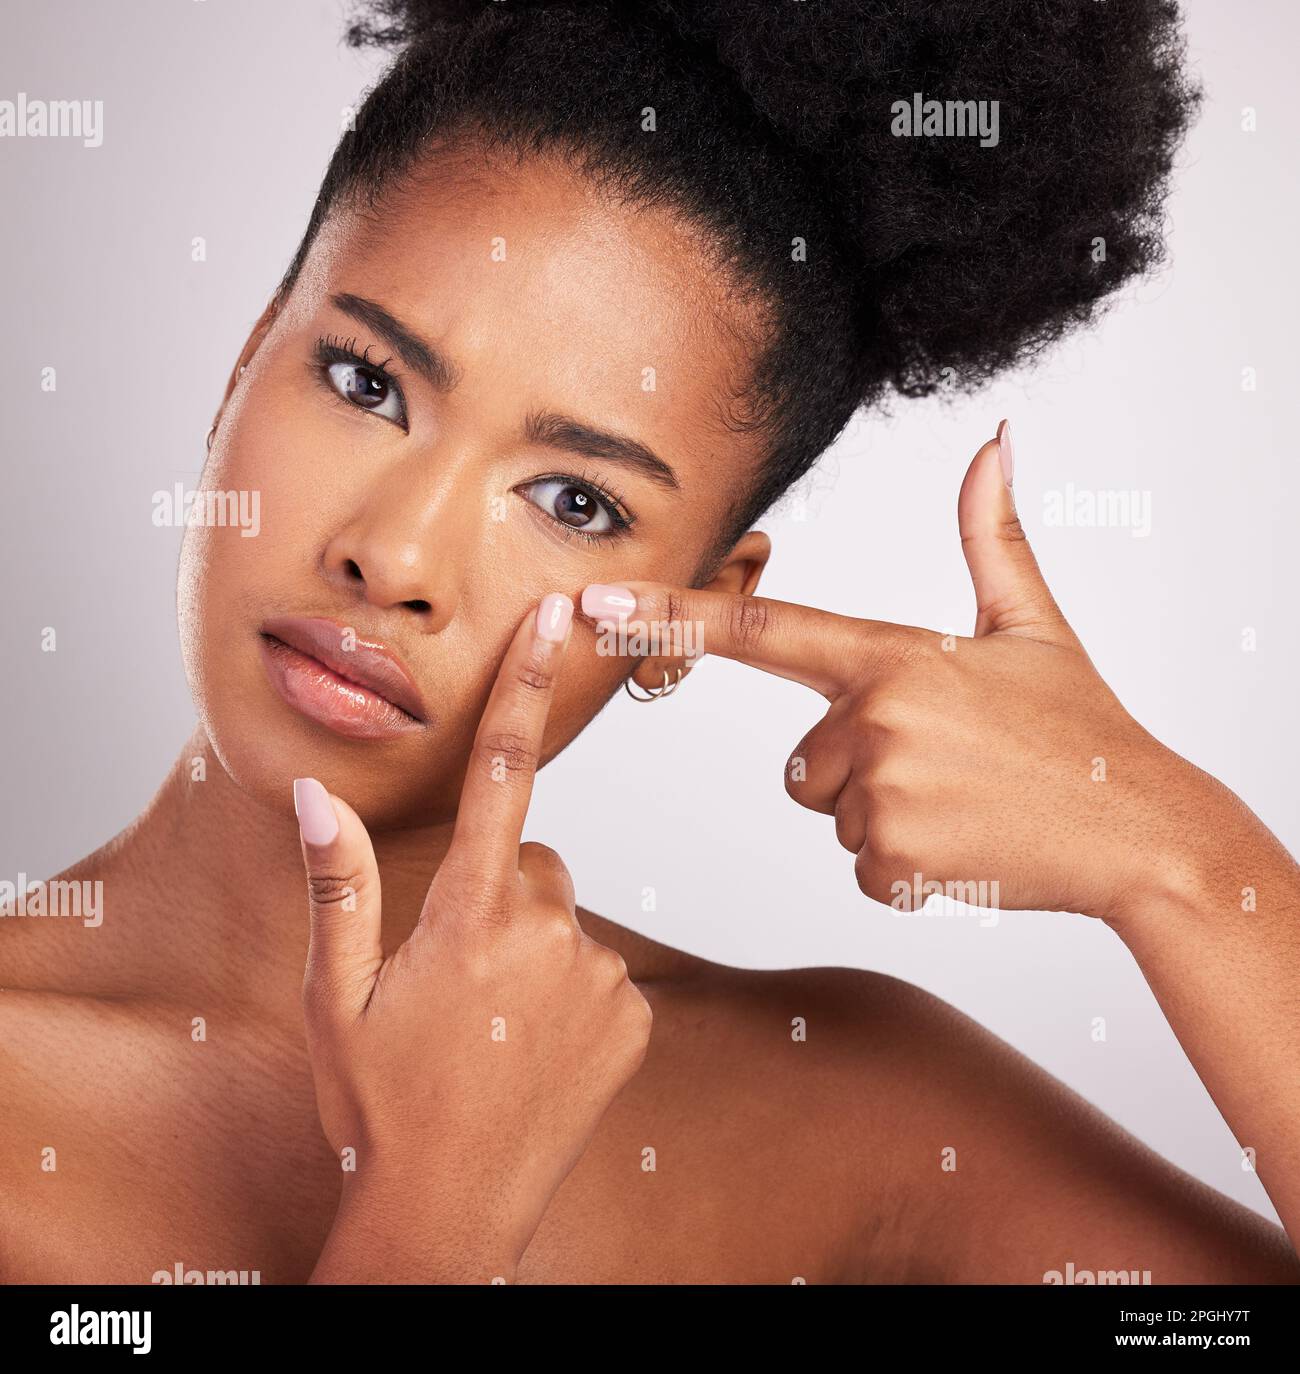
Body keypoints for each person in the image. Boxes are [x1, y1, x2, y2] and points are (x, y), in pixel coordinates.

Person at [3, 0, 1298, 1283]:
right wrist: (437, 1210)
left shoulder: (851, 1110)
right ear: (243, 367)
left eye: (575, 501)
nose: (393, 557)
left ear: (685, 616)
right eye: (365, 383)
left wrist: (1178, 854)